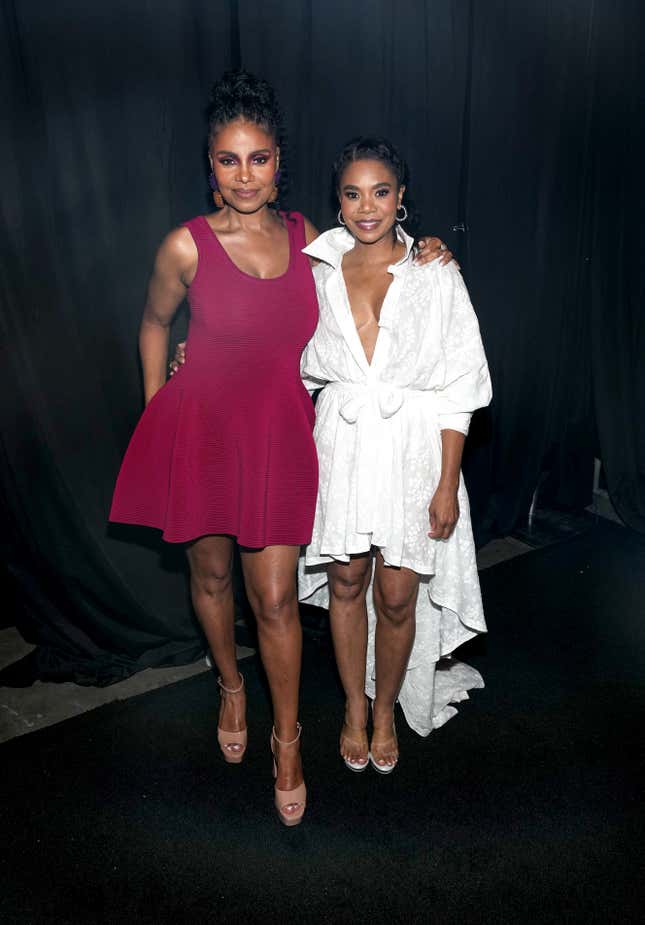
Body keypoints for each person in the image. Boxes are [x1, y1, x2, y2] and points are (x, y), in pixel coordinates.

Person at [111, 72, 452, 825]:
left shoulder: (310, 238)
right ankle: (231, 684)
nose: (243, 175)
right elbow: (150, 323)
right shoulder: (185, 245)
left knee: (272, 598)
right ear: (210, 166)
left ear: (278, 162)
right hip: (199, 433)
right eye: (228, 160)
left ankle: (287, 739)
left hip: (275, 436)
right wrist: (157, 408)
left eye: (258, 158)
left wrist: (425, 246)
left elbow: (378, 248)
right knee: (209, 576)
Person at [298, 137, 492, 774]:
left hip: (413, 448)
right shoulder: (317, 269)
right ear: (339, 201)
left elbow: (460, 384)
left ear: (401, 197)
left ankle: (386, 713)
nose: (366, 206)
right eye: (352, 194)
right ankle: (355, 708)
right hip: (344, 448)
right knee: (347, 583)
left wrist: (446, 483)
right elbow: (275, 352)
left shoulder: (435, 272)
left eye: (381, 192)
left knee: (400, 596)